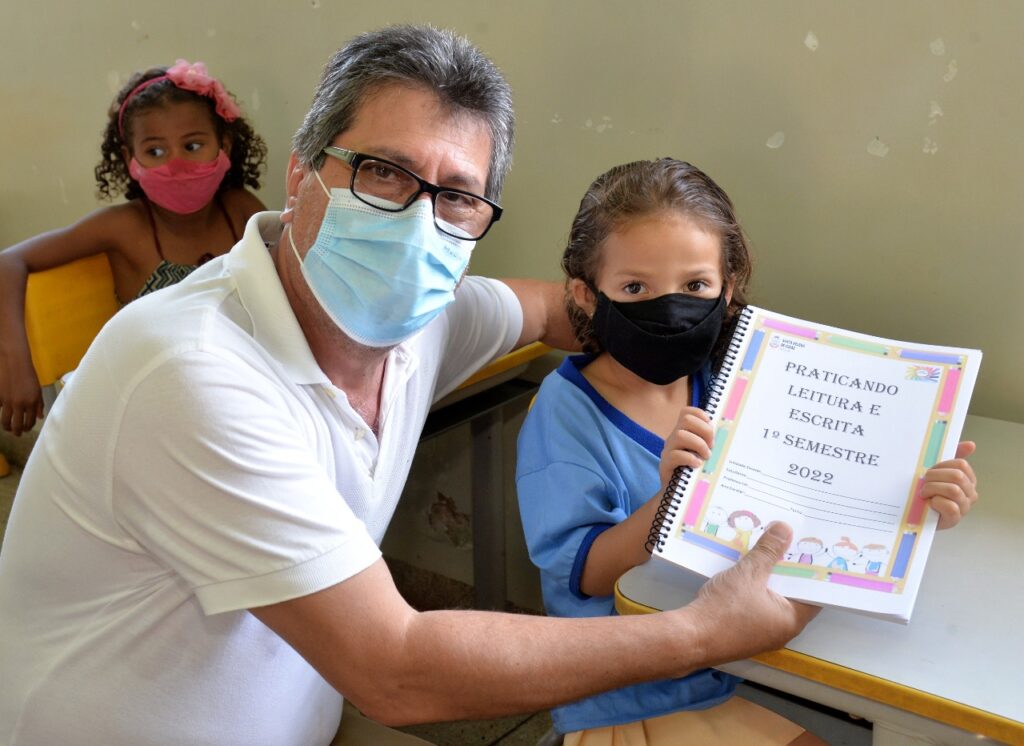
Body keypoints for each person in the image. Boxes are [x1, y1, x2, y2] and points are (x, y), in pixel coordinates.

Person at [0, 27, 820, 746]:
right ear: (301, 174)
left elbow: (554, 311)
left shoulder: (419, 323)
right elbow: (395, 671)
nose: (417, 221)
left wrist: (719, 342)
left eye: (457, 195)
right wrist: (702, 632)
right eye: (383, 173)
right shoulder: (188, 371)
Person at [515, 158, 980, 745]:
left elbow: (807, 487)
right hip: (635, 694)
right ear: (587, 295)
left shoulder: (735, 381)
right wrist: (672, 499)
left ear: (727, 287)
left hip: (749, 667)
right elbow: (584, 573)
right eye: (636, 288)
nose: (670, 308)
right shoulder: (566, 413)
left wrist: (914, 503)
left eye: (695, 286)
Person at [0, 59, 267, 436]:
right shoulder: (124, 228)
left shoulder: (241, 211)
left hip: (239, 393)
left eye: (192, 146)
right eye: (155, 152)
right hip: (153, 408)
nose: (176, 165)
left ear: (223, 145)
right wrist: (15, 362)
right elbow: (9, 262)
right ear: (130, 160)